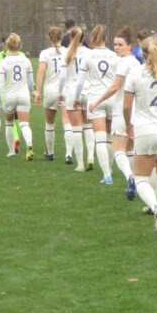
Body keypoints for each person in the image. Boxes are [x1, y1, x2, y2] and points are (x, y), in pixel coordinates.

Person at [124, 35, 157, 235]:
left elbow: (126, 105)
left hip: (145, 131)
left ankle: (155, 206)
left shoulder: (136, 73)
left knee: (140, 178)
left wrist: (129, 124)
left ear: (142, 53)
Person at [88, 27, 140, 195]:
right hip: (135, 111)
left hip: (122, 110)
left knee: (118, 150)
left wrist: (97, 101)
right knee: (130, 149)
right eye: (115, 44)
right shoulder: (136, 62)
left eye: (120, 44)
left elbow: (115, 87)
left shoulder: (123, 63)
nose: (116, 47)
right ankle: (138, 182)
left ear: (129, 46)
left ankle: (130, 177)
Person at [74, 26, 119, 185]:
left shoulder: (88, 55)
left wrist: (76, 98)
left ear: (92, 39)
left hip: (95, 100)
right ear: (106, 38)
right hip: (112, 99)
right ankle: (111, 168)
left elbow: (80, 82)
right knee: (109, 137)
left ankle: (107, 175)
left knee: (99, 139)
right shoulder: (115, 56)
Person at [0, 33, 35, 160]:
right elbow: (30, 82)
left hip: (9, 96)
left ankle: (11, 151)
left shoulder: (3, 62)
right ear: (19, 45)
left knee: (9, 124)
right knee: (24, 124)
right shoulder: (26, 60)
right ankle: (29, 144)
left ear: (6, 46)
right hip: (23, 96)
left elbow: (0, 83)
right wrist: (33, 93)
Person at [34, 26, 69, 162]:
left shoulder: (45, 53)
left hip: (50, 91)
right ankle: (69, 154)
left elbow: (41, 72)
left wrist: (37, 91)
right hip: (65, 91)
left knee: (50, 124)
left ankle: (50, 153)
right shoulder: (68, 52)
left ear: (49, 38)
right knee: (67, 123)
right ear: (62, 37)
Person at [58, 27, 90, 171]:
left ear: (70, 38)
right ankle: (91, 156)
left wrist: (60, 92)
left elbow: (63, 77)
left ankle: (81, 164)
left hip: (72, 93)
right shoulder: (91, 53)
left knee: (76, 129)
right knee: (88, 127)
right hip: (88, 92)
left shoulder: (66, 53)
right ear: (84, 39)